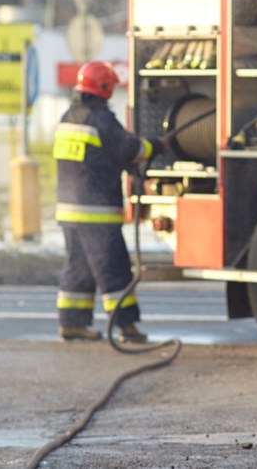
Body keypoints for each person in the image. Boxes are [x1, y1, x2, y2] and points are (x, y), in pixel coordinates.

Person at [53, 61, 163, 342]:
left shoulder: (68, 116)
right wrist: (156, 145)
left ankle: (72, 324)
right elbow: (130, 149)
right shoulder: (100, 119)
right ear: (104, 88)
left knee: (77, 267)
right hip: (96, 212)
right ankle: (127, 327)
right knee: (113, 268)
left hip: (68, 210)